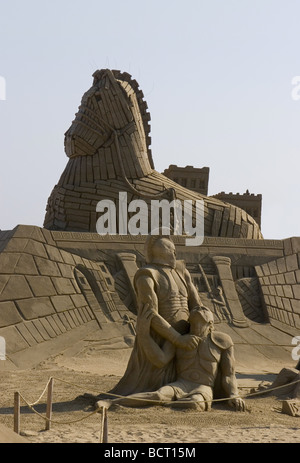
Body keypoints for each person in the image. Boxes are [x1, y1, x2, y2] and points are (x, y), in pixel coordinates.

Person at [96, 305, 245, 412]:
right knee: (158, 394)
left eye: (204, 309)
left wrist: (233, 395)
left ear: (211, 323)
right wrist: (143, 334)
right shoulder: (179, 340)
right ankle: (110, 402)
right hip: (181, 384)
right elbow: (160, 359)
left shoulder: (222, 341)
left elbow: (228, 374)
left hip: (203, 387)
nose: (200, 308)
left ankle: (170, 404)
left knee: (195, 403)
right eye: (197, 308)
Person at [107, 234, 204, 396]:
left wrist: (201, 322)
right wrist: (177, 338)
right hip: (165, 337)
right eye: (171, 250)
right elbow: (150, 313)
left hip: (189, 331)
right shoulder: (147, 275)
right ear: (162, 253)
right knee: (161, 361)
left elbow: (196, 303)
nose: (175, 254)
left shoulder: (181, 271)